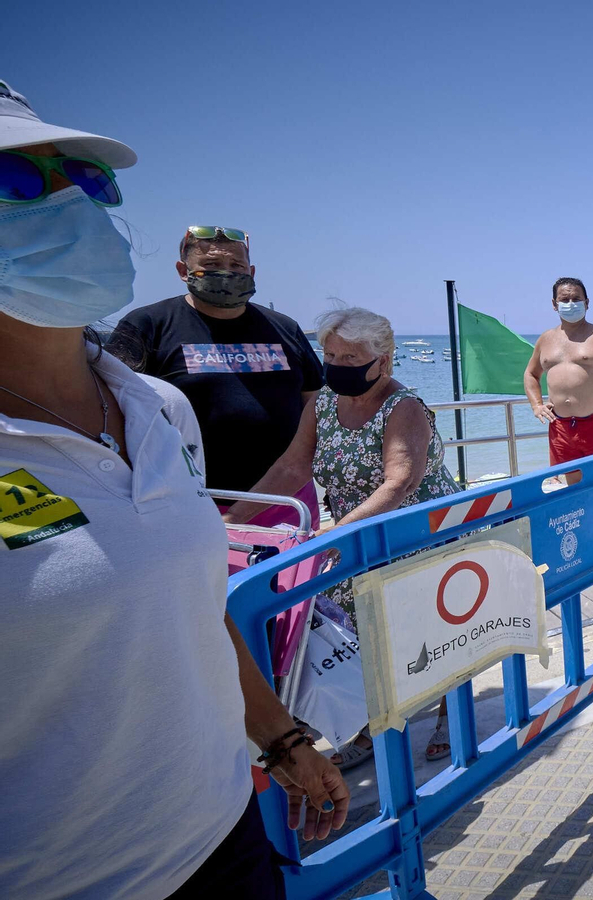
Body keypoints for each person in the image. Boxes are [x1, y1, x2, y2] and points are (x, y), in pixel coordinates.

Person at [0, 78, 347, 900]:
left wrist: (282, 738)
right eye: (17, 180)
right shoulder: (154, 333)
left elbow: (191, 603)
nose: (70, 206)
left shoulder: (154, 408)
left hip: (223, 837)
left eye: (85, 179)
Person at [224, 307, 461, 767]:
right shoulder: (323, 405)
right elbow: (292, 467)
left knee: (430, 632)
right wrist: (233, 517)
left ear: (384, 360)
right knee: (359, 634)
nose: (337, 366)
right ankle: (370, 725)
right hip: (355, 538)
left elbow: (400, 483)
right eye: (330, 354)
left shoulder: (404, 407)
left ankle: (450, 714)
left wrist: (333, 535)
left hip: (414, 534)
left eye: (351, 358)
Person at [112, 223, 323, 529]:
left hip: (286, 500)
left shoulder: (285, 328)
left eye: (236, 265)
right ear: (183, 270)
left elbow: (316, 407)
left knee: (299, 578)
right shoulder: (147, 325)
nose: (226, 272)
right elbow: (108, 409)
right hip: (184, 502)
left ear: (251, 272)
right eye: (211, 265)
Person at [524, 277, 593, 480]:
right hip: (561, 428)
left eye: (576, 298)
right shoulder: (545, 339)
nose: (570, 304)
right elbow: (531, 374)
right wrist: (536, 405)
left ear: (587, 302)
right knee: (574, 492)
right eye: (564, 299)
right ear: (554, 304)